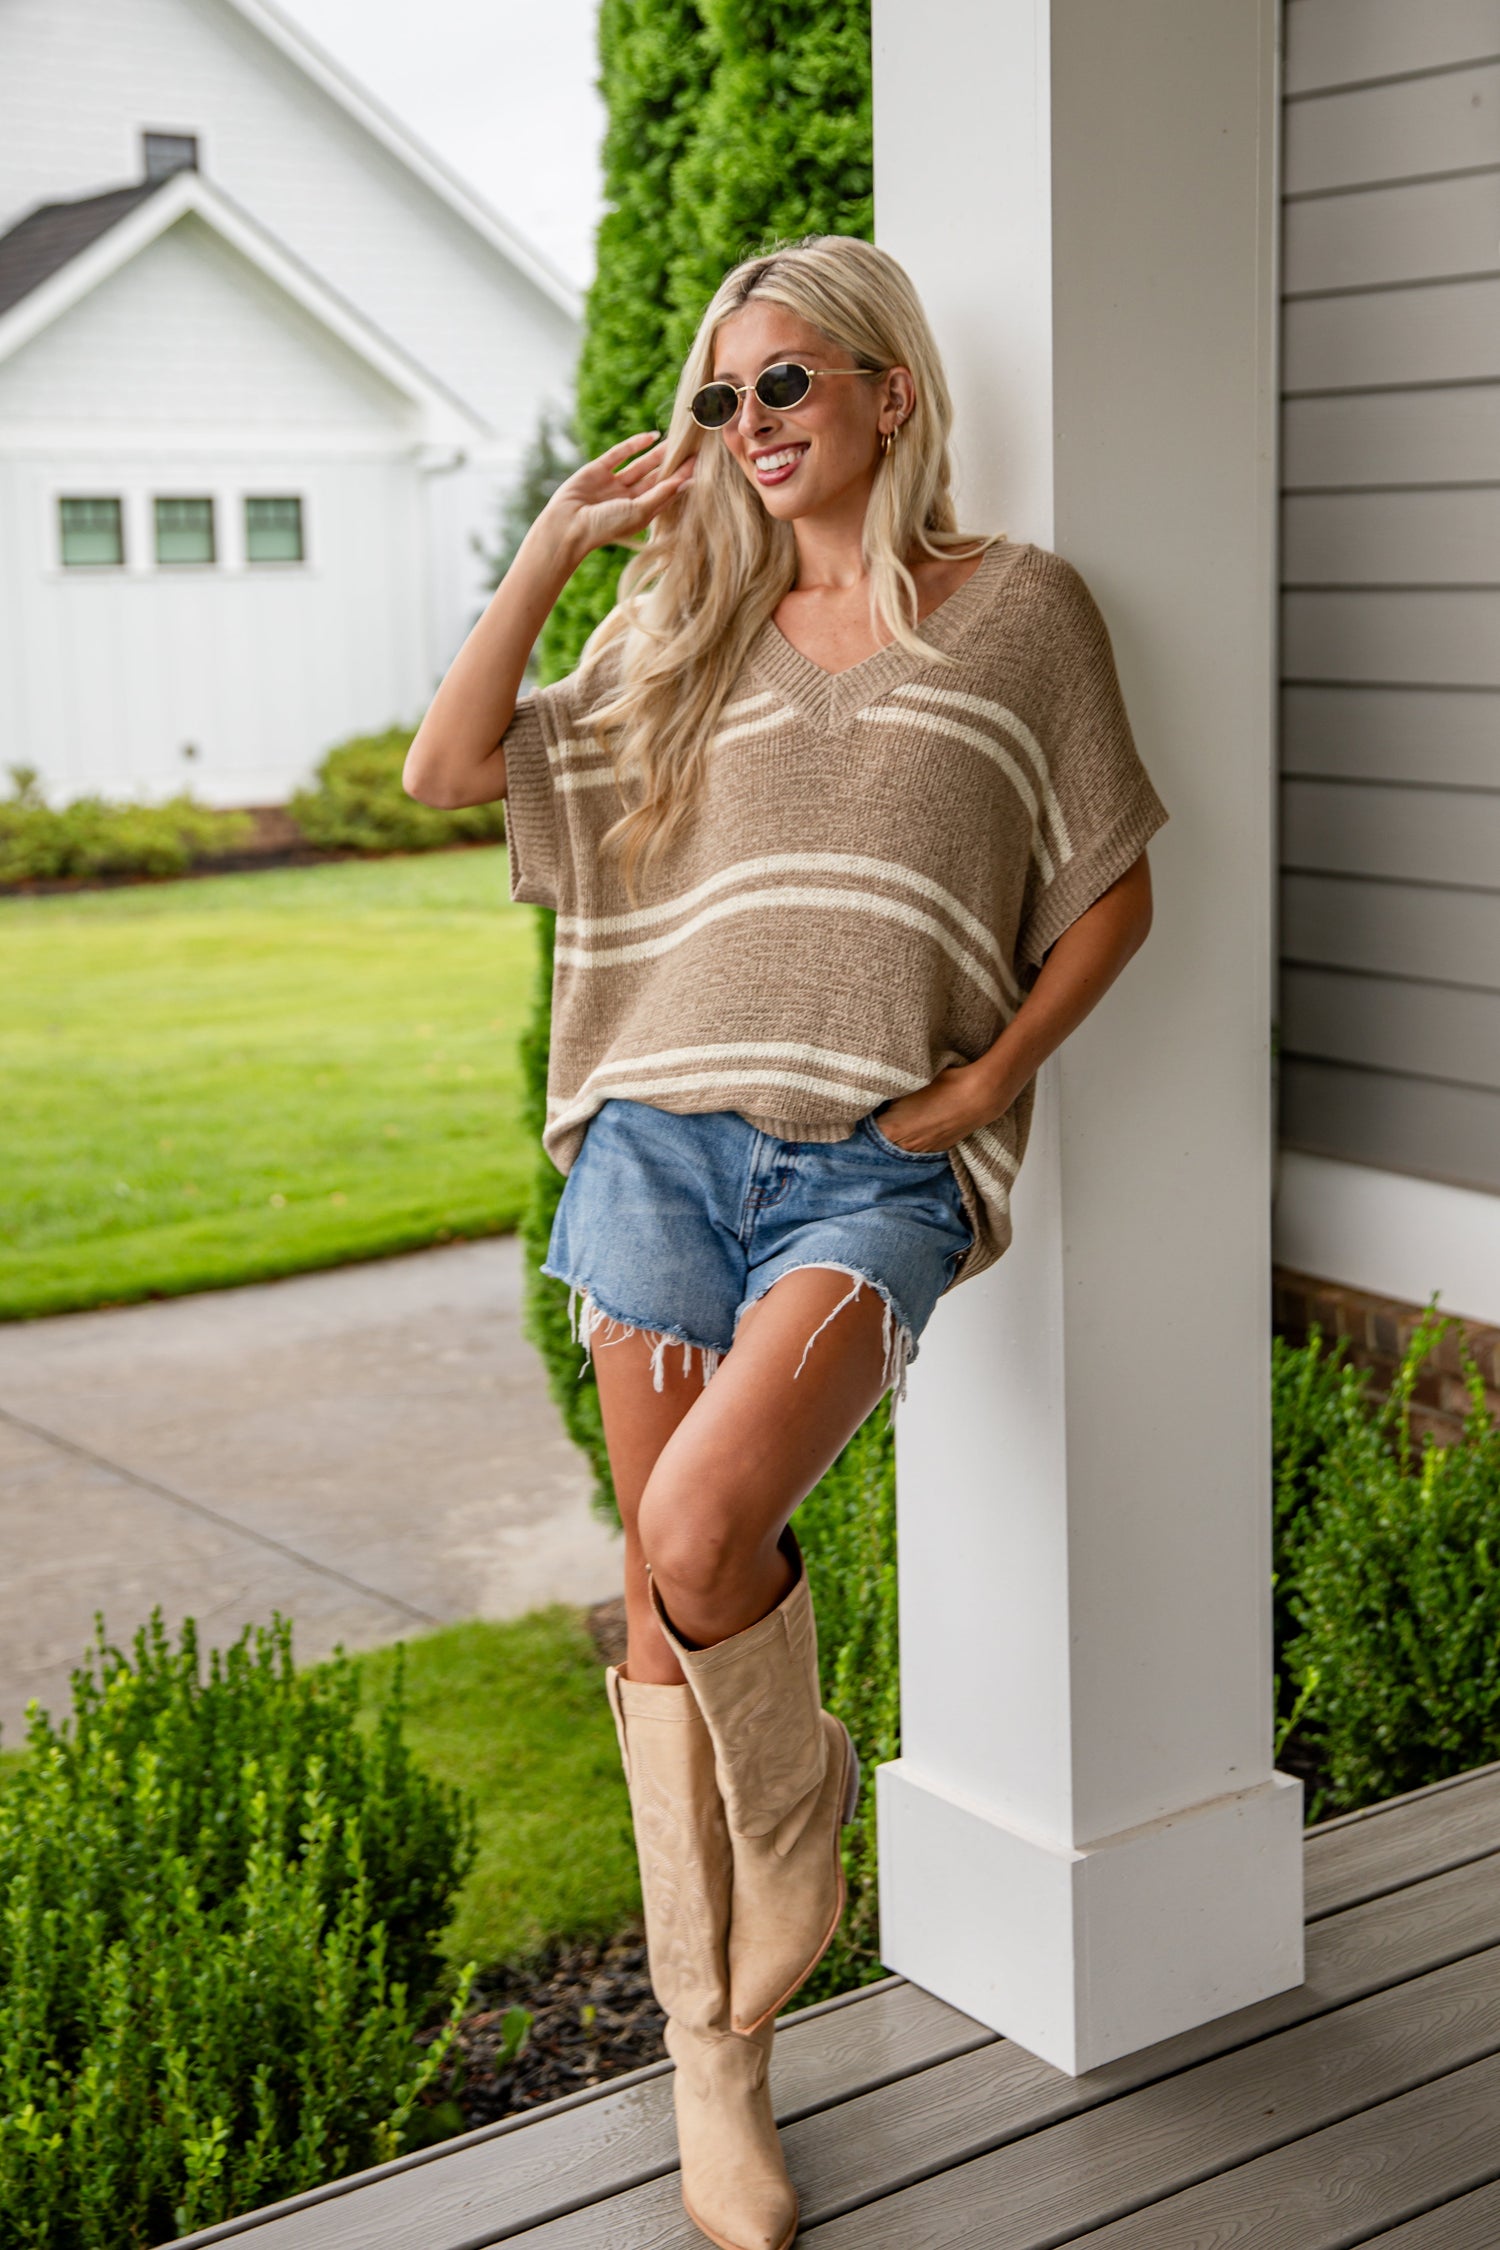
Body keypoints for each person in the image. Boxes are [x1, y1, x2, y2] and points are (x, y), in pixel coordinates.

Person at [405, 233, 1166, 2250]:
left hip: (868, 1168)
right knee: (661, 1605)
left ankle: (799, 1799)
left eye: (784, 383)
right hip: (656, 1145)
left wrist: (987, 1079)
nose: (745, 423)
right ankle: (716, 2061)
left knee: (700, 1530)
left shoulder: (1022, 613)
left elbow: (1112, 887)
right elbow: (450, 771)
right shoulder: (679, 620)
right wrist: (560, 543)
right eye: (720, 395)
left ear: (888, 392)